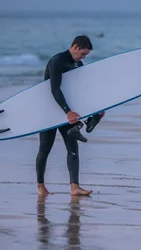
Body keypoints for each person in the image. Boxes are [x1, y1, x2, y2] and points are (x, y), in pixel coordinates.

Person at [36, 35, 104, 197]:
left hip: (68, 113)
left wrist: (96, 109)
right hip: (50, 112)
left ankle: (75, 187)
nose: (84, 57)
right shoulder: (57, 61)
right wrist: (68, 111)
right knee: (45, 149)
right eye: (83, 53)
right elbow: (55, 89)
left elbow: (81, 91)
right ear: (75, 47)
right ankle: (40, 186)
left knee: (73, 149)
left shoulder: (77, 64)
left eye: (86, 55)